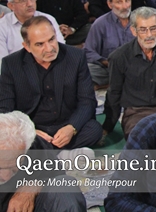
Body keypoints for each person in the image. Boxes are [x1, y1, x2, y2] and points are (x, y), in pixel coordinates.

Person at [0, 16, 102, 149]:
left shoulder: (75, 57)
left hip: (66, 123)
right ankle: (57, 153)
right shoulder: (11, 64)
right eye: (40, 44)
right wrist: (29, 131)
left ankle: (43, 152)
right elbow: (5, 109)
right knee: (11, 137)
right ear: (27, 46)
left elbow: (87, 101)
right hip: (33, 128)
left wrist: (71, 128)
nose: (49, 49)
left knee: (94, 130)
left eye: (51, 39)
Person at [103, 7, 156, 138]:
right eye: (143, 29)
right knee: (142, 139)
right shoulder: (119, 57)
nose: (149, 35)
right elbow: (114, 93)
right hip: (136, 113)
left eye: (153, 28)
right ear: (133, 31)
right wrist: (108, 125)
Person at [0, 111, 87, 211]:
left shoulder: (33, 145)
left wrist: (33, 187)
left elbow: (58, 176)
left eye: (14, 169)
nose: (6, 176)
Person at [84, 0, 135, 88]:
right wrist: (107, 63)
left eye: (127, 1)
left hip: (136, 67)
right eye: (119, 2)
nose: (125, 6)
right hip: (109, 68)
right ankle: (121, 83)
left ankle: (108, 85)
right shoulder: (100, 23)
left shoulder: (139, 21)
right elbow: (89, 51)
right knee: (86, 70)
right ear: (110, 4)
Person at [0, 0, 64, 62]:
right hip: (17, 68)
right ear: (11, 6)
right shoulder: (2, 25)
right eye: (23, 0)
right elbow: (2, 61)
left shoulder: (48, 19)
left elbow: (61, 49)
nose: (30, 4)